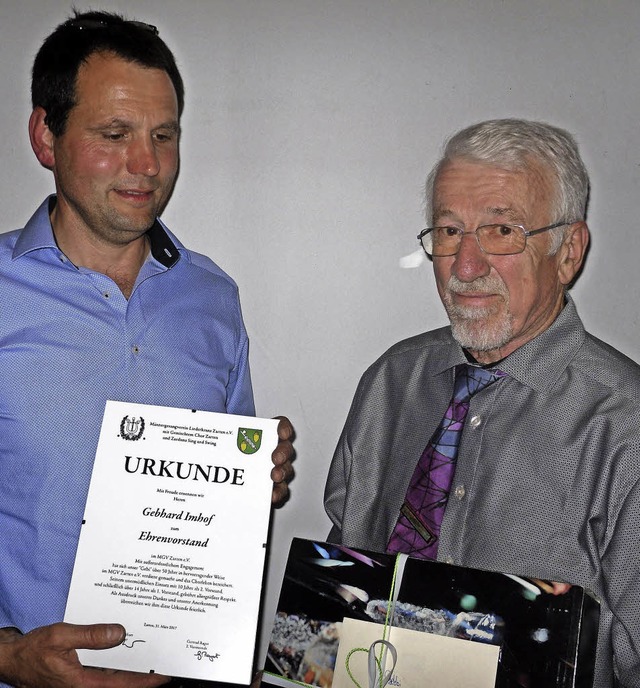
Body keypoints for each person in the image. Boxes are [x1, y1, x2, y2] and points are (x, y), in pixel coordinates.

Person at [0, 10, 294, 688]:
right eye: (115, 134)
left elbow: (224, 509)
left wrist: (254, 478)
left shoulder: (213, 298)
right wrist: (11, 658)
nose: (147, 164)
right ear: (47, 135)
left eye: (164, 135)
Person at [324, 118, 640, 686]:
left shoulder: (625, 426)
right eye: (448, 231)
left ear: (568, 251)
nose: (464, 268)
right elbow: (342, 576)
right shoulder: (392, 381)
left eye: (500, 231)